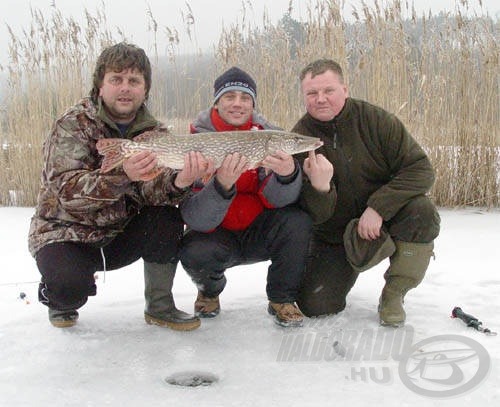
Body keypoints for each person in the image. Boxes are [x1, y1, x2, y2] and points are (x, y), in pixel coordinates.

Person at [28, 42, 208, 330]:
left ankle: (160, 306)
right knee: (69, 288)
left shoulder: (156, 134)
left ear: (145, 89)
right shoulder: (72, 125)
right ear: (100, 86)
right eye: (116, 79)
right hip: (66, 234)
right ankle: (56, 295)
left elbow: (152, 192)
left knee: (167, 216)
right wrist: (122, 175)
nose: (125, 88)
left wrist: (180, 180)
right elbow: (66, 193)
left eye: (134, 81)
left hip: (117, 235)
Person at [293, 59, 441, 327]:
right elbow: (313, 216)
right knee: (316, 306)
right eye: (312, 93)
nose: (320, 99)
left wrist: (378, 208)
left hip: (385, 219)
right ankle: (343, 270)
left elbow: (421, 170)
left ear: (345, 89)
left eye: (329, 91)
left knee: (422, 212)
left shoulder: (377, 120)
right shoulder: (299, 139)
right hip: (334, 235)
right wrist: (320, 187)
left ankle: (395, 293)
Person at [179, 67, 312, 327]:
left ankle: (282, 298)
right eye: (230, 96)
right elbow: (197, 219)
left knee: (298, 222)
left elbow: (280, 202)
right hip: (216, 233)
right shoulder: (197, 140)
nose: (238, 103)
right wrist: (222, 185)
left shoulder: (268, 135)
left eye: (245, 97)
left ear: (253, 103)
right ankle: (209, 292)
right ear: (217, 102)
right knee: (195, 250)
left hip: (258, 231)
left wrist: (287, 174)